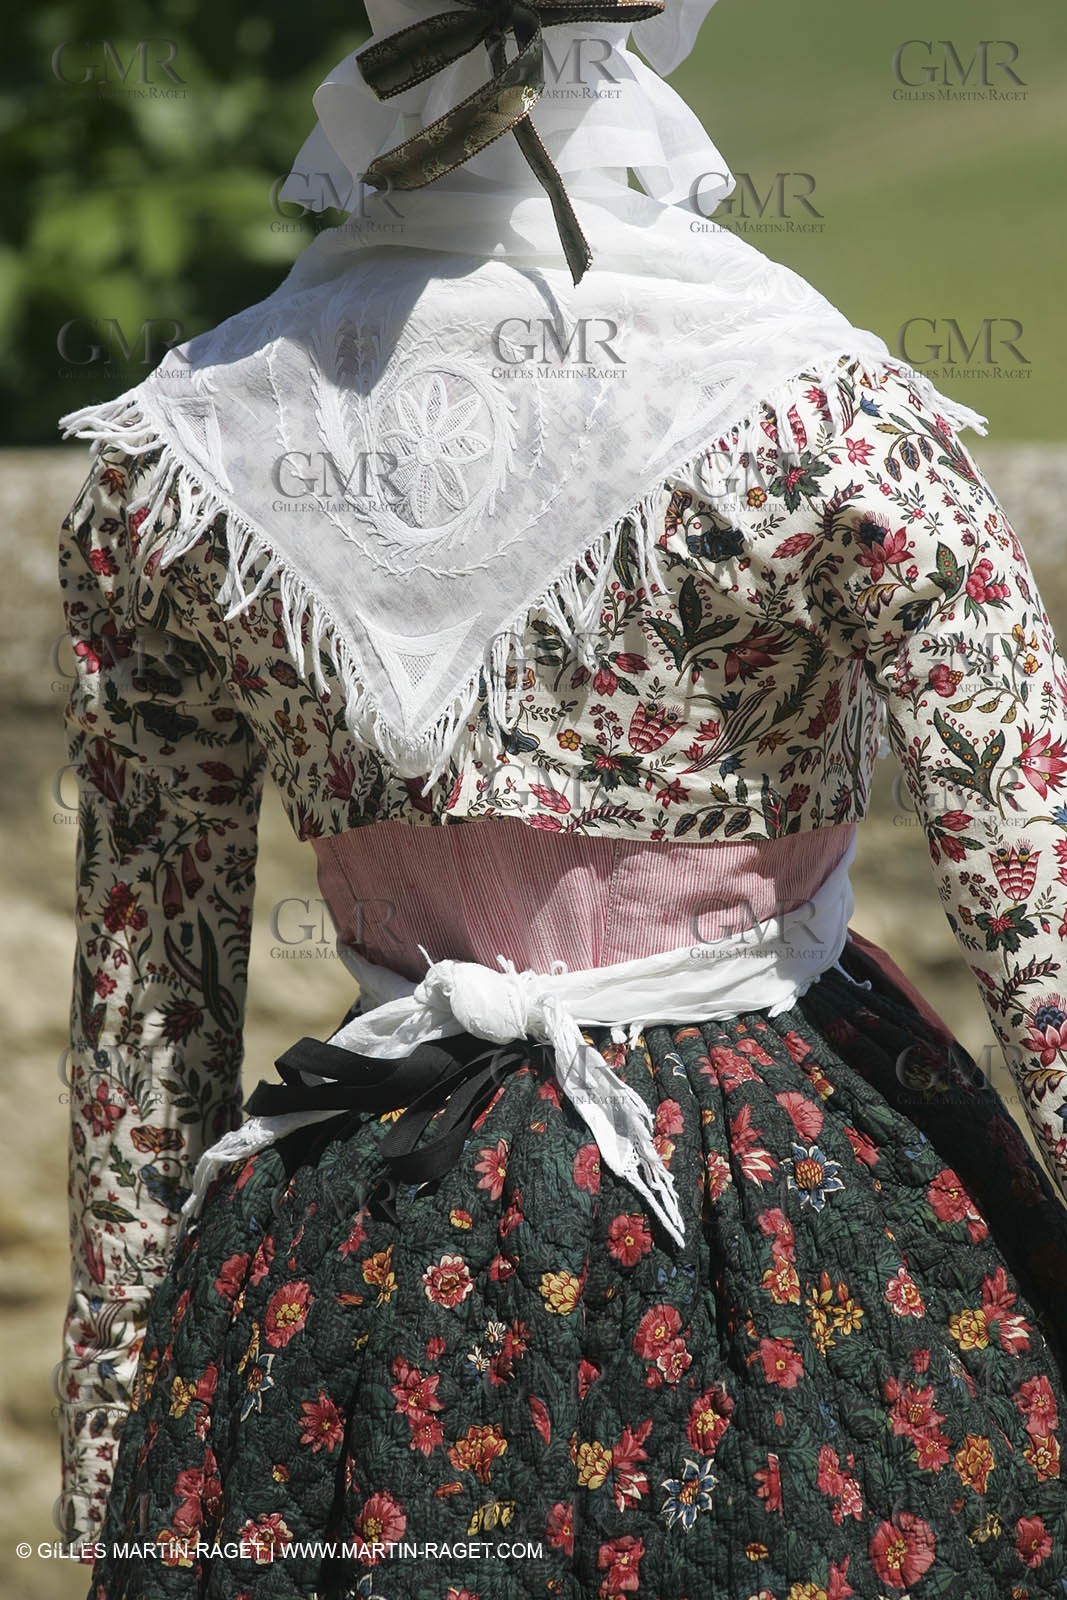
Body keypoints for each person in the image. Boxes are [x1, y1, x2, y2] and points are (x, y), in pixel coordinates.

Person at [55, 1, 1067, 1595]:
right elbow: (1038, 916)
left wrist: (119, 1423)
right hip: (786, 1202)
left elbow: (145, 1006)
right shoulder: (830, 426)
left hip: (362, 1230)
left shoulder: (180, 461)